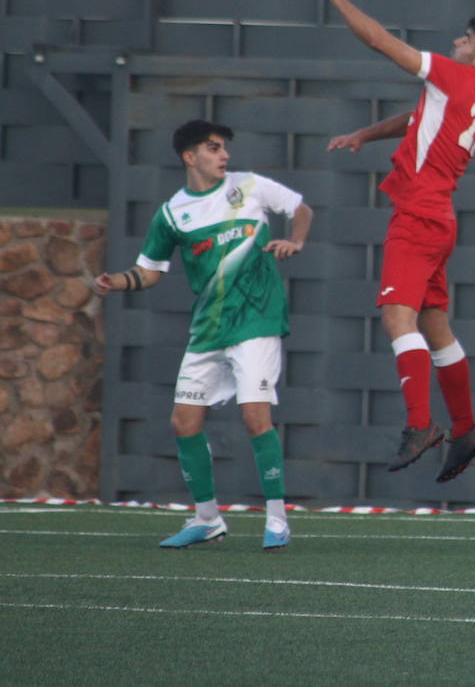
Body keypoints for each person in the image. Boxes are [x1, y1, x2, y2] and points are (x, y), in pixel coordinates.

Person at [303, 0, 475, 483]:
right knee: (434, 325)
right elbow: (420, 117)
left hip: (418, 216)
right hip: (439, 218)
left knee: (397, 317)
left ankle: (421, 426)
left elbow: (379, 40)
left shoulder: (457, 77)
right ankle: (465, 427)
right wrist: (364, 134)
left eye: (464, 40)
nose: (455, 44)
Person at [94, 120, 312, 550]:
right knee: (184, 422)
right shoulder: (173, 212)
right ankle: (207, 518)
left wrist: (296, 240)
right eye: (214, 148)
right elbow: (149, 272)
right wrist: (116, 282)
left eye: (224, 148)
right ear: (189, 156)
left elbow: (301, 209)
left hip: (257, 320)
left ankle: (277, 519)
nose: (224, 155)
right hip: (208, 328)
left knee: (255, 417)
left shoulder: (249, 186)